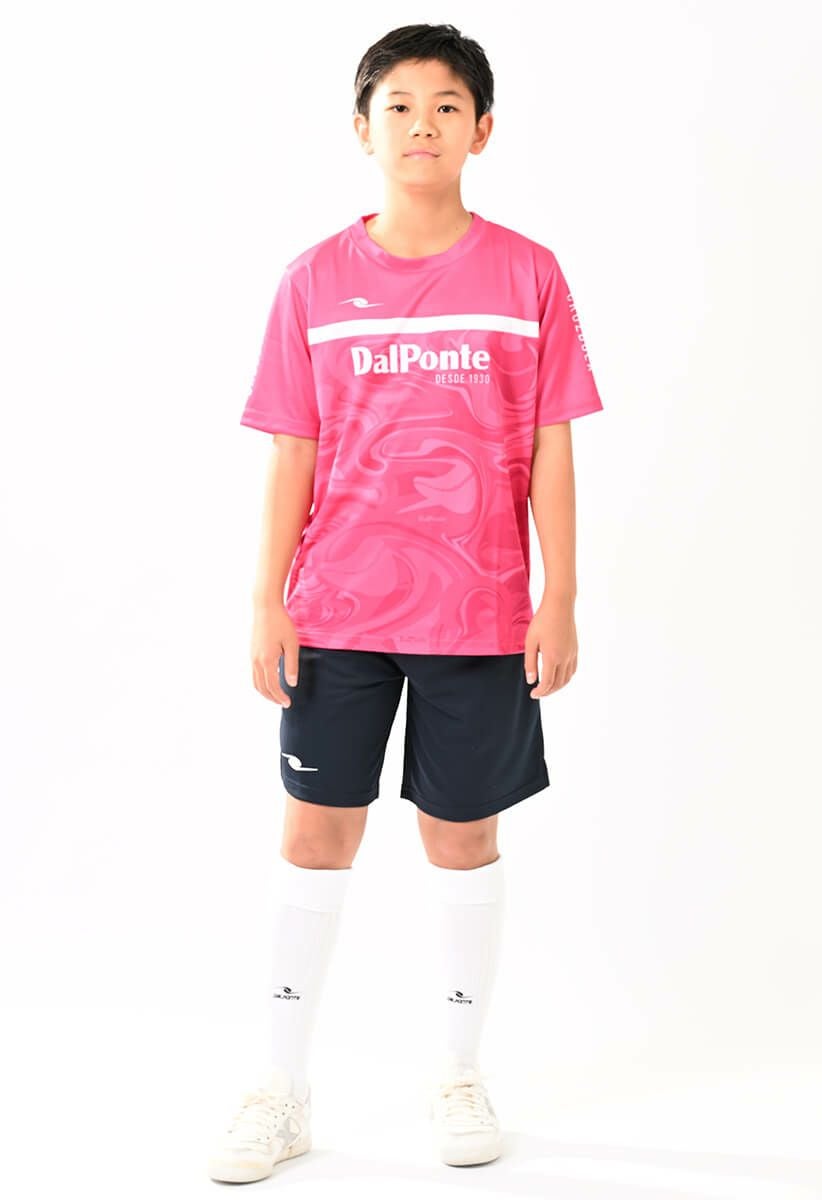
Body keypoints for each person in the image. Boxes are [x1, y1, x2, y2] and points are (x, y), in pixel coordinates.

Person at [208, 22, 604, 1184]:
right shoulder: (312, 281)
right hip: (335, 611)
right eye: (398, 106)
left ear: (483, 129)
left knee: (462, 836)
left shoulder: (528, 275)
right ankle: (277, 1089)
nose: (421, 124)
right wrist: (266, 601)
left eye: (445, 106)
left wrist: (560, 596)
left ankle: (457, 1072)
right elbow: (291, 449)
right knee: (313, 835)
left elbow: (553, 444)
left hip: (481, 615)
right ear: (361, 128)